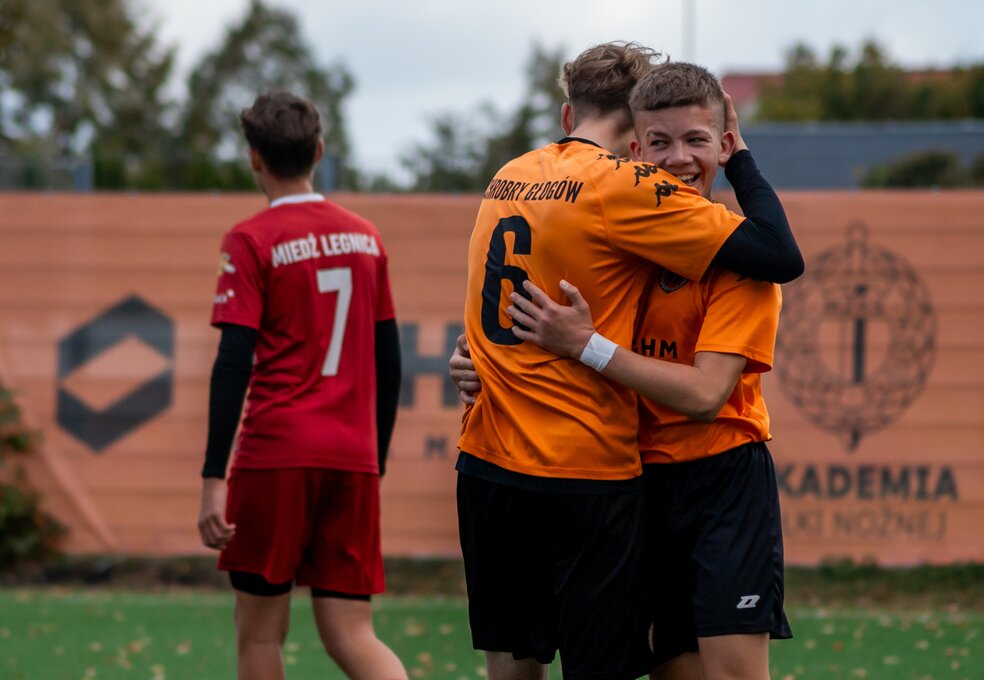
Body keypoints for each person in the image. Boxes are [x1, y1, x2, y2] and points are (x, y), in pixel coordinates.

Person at [457, 43, 801, 680]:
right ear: (636, 144)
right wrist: (475, 360)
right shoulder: (629, 204)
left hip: (709, 473)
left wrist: (555, 349)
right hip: (611, 472)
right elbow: (778, 248)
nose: (676, 159)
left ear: (568, 117)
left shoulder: (513, 174)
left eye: (696, 141)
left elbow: (707, 392)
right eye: (659, 142)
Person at [196, 91, 406, 680]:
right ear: (318, 150)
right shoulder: (366, 238)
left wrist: (213, 478)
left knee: (260, 634)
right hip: (352, 457)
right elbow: (389, 361)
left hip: (276, 455)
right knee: (353, 634)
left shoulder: (251, 239)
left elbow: (233, 362)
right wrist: (374, 459)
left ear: (254, 158)